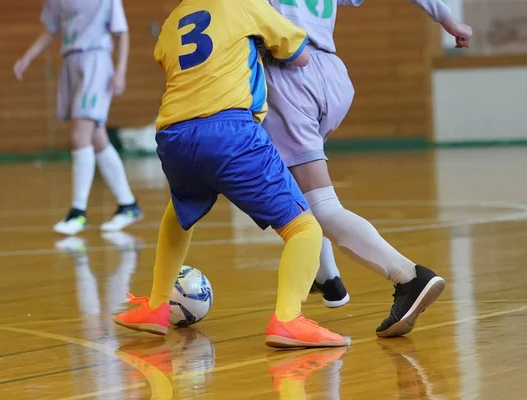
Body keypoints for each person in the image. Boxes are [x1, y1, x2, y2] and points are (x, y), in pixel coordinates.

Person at [113, 0, 348, 349]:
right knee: (304, 228)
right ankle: (288, 320)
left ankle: (157, 307)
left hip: (173, 135)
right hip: (230, 131)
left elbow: (168, 57)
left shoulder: (172, 21)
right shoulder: (243, 3)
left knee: (178, 215)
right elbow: (299, 54)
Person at [263, 0, 472, 338]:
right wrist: (448, 19)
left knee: (319, 202)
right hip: (331, 74)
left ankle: (408, 276)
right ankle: (328, 279)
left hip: (288, 73)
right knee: (294, 185)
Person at [14, 0, 142, 235]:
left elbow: (122, 32)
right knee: (97, 138)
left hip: (96, 59)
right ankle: (128, 205)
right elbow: (50, 30)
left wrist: (120, 71)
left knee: (79, 135)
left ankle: (78, 212)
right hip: (70, 61)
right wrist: (27, 57)